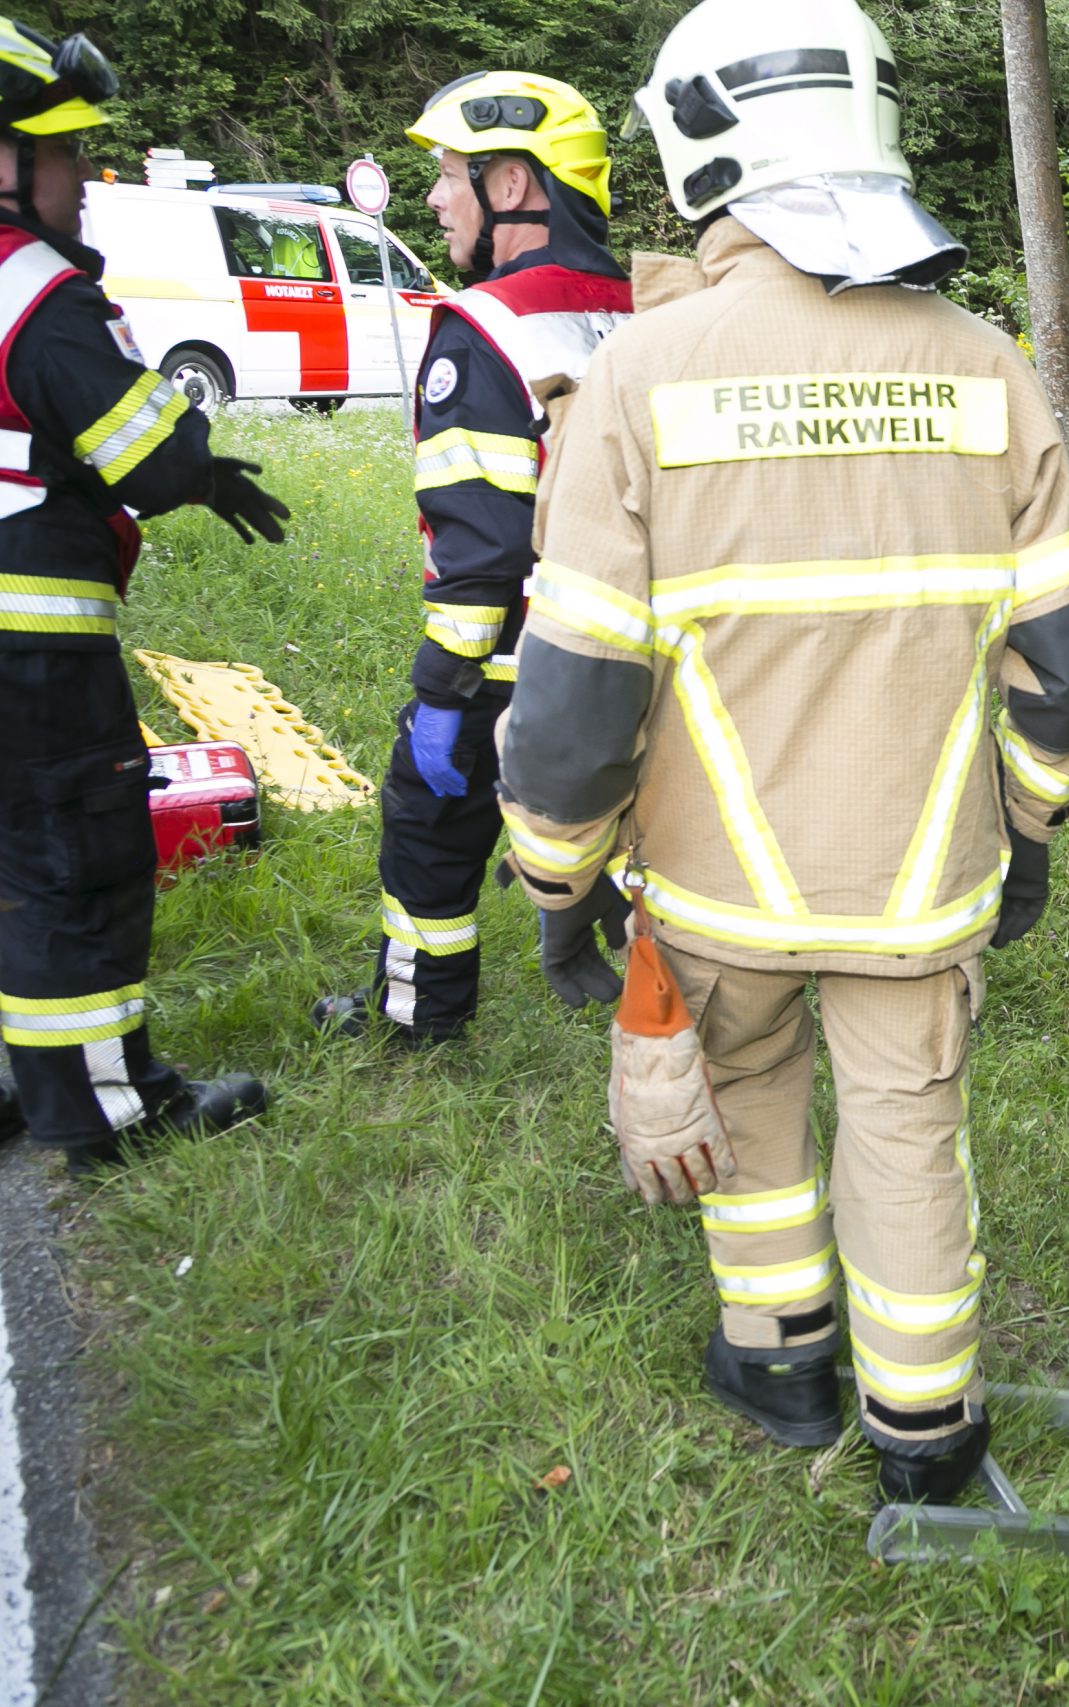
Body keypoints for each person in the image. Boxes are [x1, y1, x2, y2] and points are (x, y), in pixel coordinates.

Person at [494, 0, 1069, 1503]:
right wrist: (1024, 838)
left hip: (712, 892)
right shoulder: (991, 367)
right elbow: (1068, 667)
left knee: (752, 1098)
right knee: (908, 1128)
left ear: (701, 143)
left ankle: (779, 1360)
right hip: (920, 883)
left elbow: (573, 706)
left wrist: (557, 889)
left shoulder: (635, 377)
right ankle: (925, 1428)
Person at [0, 20, 289, 1174]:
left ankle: (29, 1080)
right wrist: (200, 459)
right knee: (74, 857)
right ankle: (109, 1108)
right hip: (30, 641)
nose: (82, 183)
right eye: (66, 154)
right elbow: (151, 458)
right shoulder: (32, 288)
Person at [315, 71, 632, 1044]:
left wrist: (444, 695)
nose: (435, 198)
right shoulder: (638, 313)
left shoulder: (482, 327)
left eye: (451, 174)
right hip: (629, 656)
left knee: (427, 832)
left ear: (510, 187)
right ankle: (673, 1002)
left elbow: (485, 544)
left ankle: (419, 1019)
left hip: (508, 665)